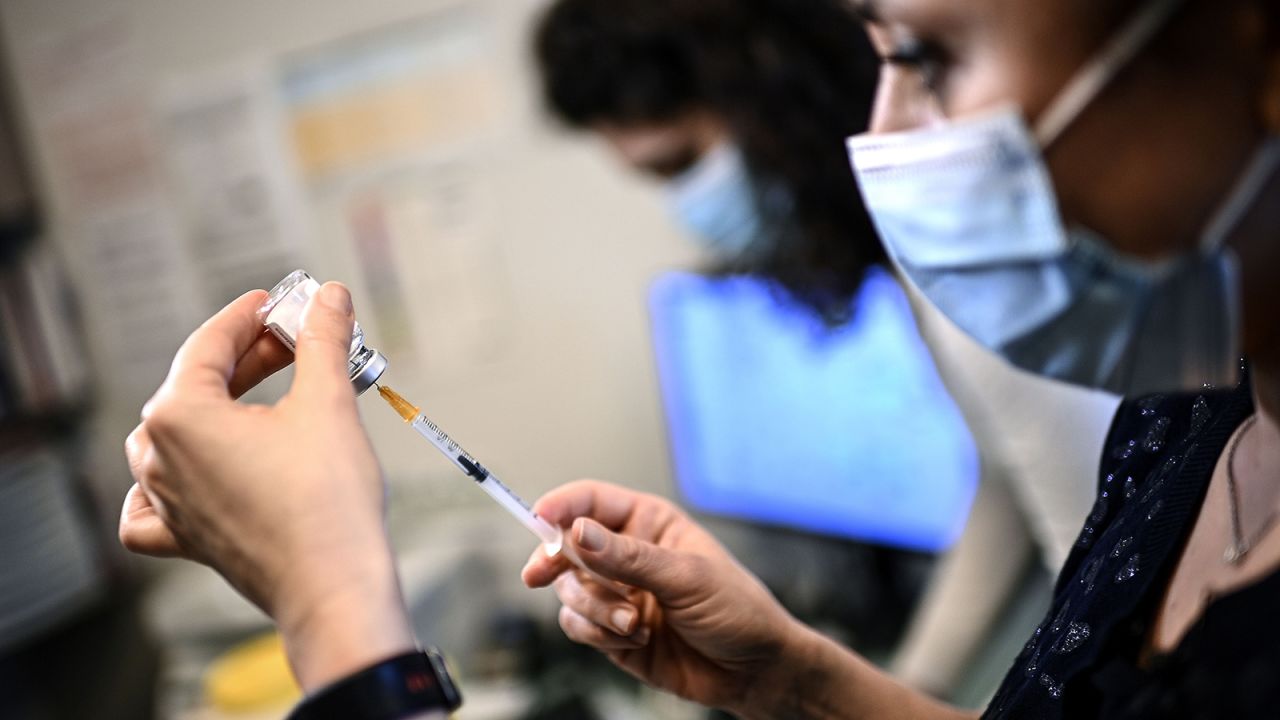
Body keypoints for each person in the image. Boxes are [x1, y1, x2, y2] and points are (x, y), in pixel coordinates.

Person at [120, 0, 1280, 718]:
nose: (878, 138)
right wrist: (789, 678)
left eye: (927, 57)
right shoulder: (1182, 424)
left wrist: (326, 592)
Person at [534, 0, 1120, 696]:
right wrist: (914, 679)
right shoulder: (912, 259)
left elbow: (1105, 557)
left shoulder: (956, 242)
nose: (683, 205)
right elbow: (1015, 463)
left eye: (682, 162)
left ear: (771, 95)